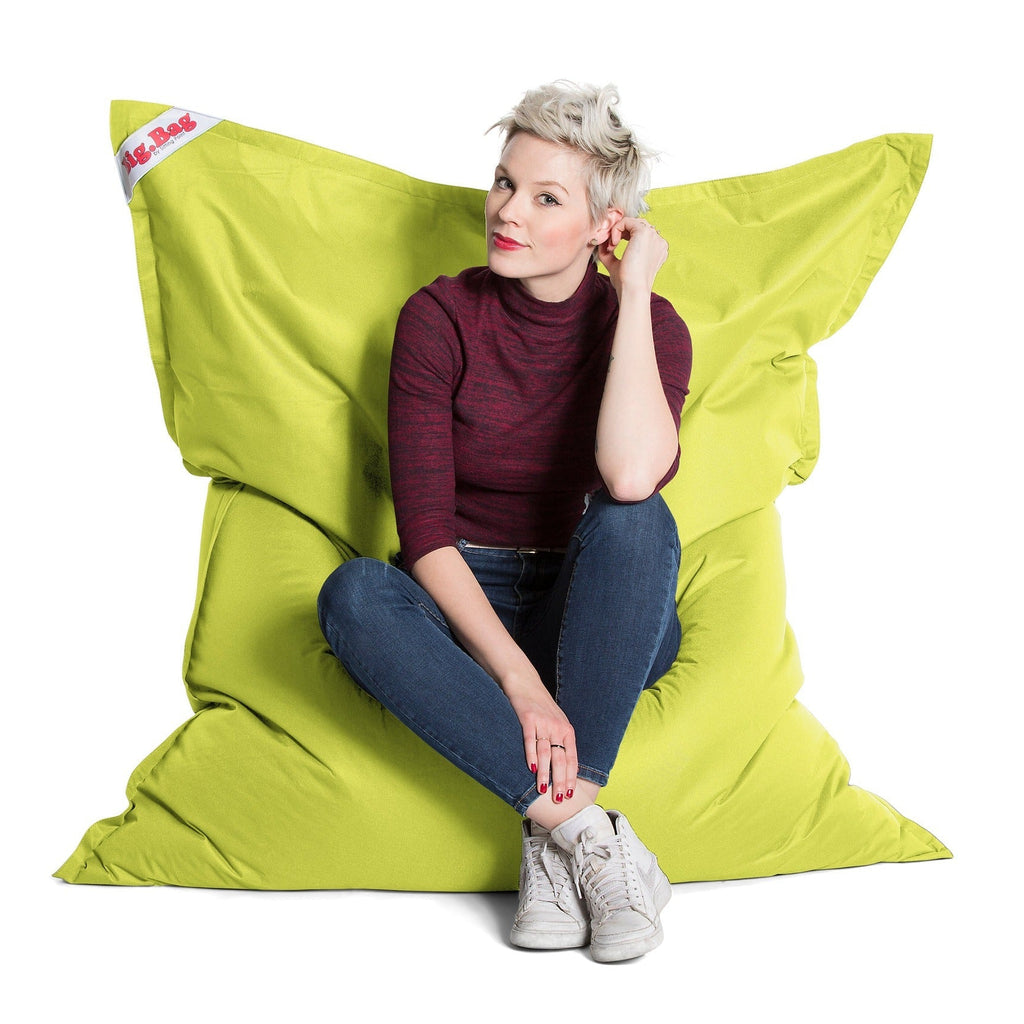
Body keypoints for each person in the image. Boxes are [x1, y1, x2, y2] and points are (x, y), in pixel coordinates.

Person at [318, 81, 692, 962]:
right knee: (355, 595)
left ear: (604, 226)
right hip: (462, 598)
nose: (508, 212)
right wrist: (520, 685)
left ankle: (554, 838)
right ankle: (587, 838)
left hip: (590, 604)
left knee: (637, 521)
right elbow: (425, 536)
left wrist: (635, 291)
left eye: (547, 198)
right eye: (504, 182)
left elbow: (630, 476)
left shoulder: (652, 329)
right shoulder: (437, 318)